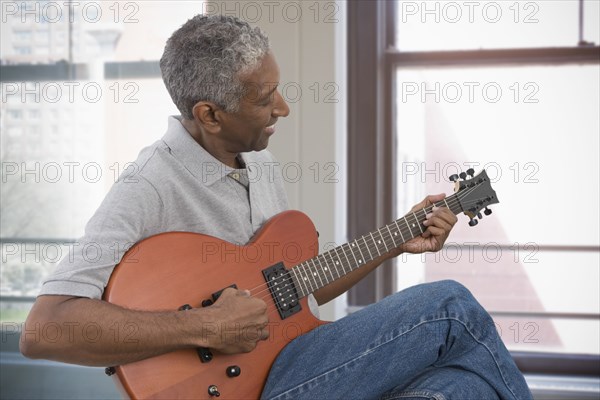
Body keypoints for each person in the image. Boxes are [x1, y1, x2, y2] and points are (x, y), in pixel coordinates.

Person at [21, 14, 532, 399]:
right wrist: (204, 326)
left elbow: (290, 292)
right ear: (210, 114)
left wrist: (398, 239)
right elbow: (44, 329)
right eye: (265, 98)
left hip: (295, 359)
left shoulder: (258, 163)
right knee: (449, 304)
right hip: (246, 386)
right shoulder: (148, 185)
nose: (283, 108)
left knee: (459, 386)